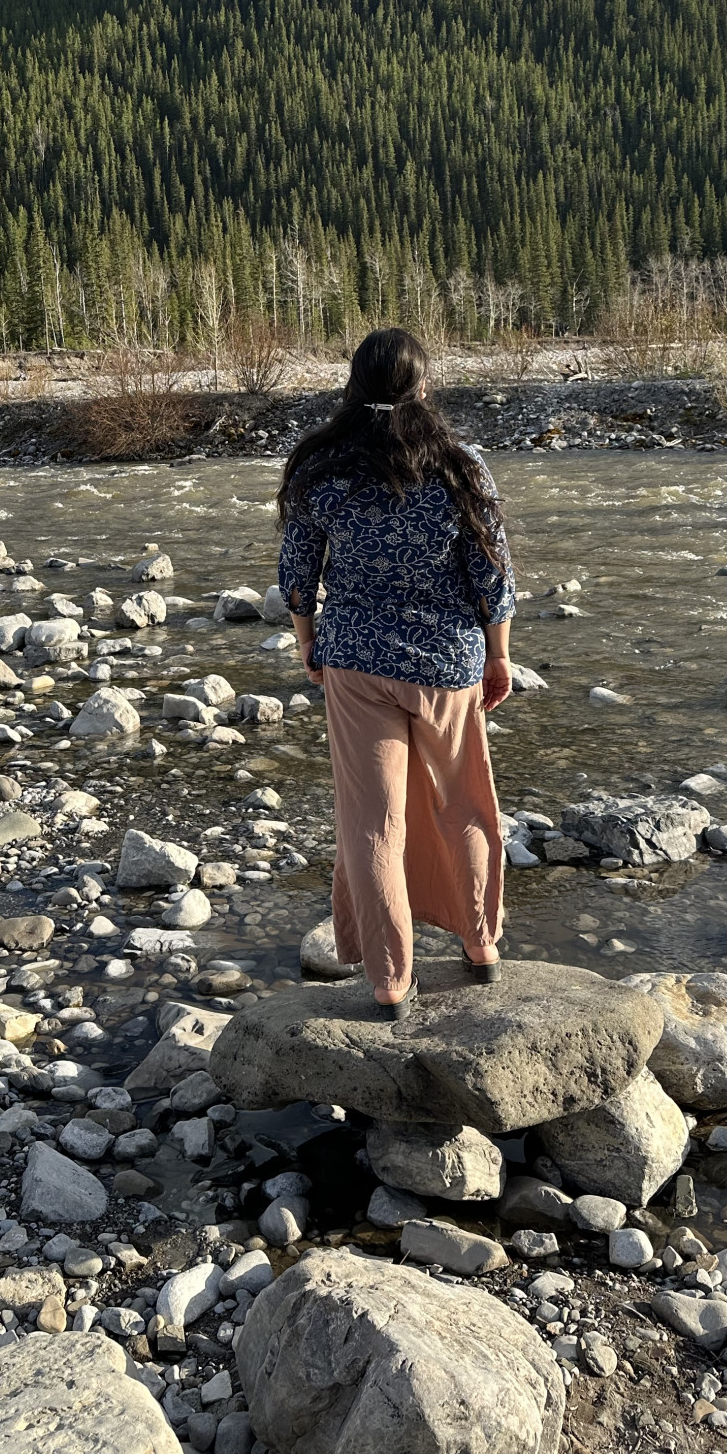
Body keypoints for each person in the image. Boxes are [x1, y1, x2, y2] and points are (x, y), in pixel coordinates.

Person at [276, 326, 515, 1021]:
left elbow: (298, 572)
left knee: (372, 823)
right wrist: (498, 655)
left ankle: (389, 982)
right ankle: (481, 946)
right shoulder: (460, 464)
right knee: (465, 804)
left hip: (355, 661)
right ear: (424, 386)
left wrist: (307, 641)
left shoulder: (320, 467)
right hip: (447, 663)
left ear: (353, 386)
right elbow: (492, 574)